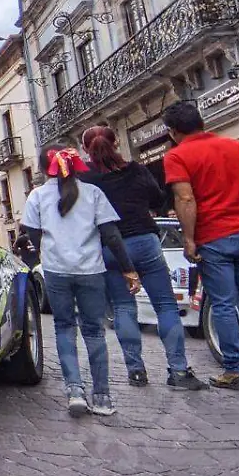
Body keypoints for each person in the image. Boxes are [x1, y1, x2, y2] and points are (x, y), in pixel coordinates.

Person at [80, 124, 207, 390]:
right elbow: (158, 198)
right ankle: (179, 371)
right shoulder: (136, 170)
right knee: (165, 306)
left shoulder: (86, 181)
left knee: (124, 308)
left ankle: (136, 371)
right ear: (116, 144)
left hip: (110, 250)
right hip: (145, 242)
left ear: (85, 151)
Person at [21, 144, 140, 417]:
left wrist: (48, 253)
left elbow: (34, 234)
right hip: (91, 270)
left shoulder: (37, 197)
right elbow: (111, 235)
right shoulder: (93, 193)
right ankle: (102, 396)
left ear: (42, 169)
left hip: (56, 270)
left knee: (64, 329)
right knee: (94, 332)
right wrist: (128, 269)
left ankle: (74, 390)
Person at [162, 101, 239, 389]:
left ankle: (235, 369)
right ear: (202, 121)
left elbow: (185, 199)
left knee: (224, 305)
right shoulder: (236, 147)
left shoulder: (177, 156)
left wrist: (188, 239)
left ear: (174, 132)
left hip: (214, 238)